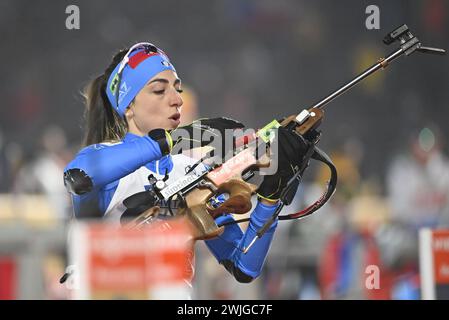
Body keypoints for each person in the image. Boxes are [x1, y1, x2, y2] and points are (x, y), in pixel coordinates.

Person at [63, 42, 310, 287]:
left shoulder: (192, 172)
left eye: (177, 89)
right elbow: (79, 176)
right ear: (128, 105)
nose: (176, 100)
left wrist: (271, 196)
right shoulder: (99, 157)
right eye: (159, 90)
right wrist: (177, 138)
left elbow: (243, 266)